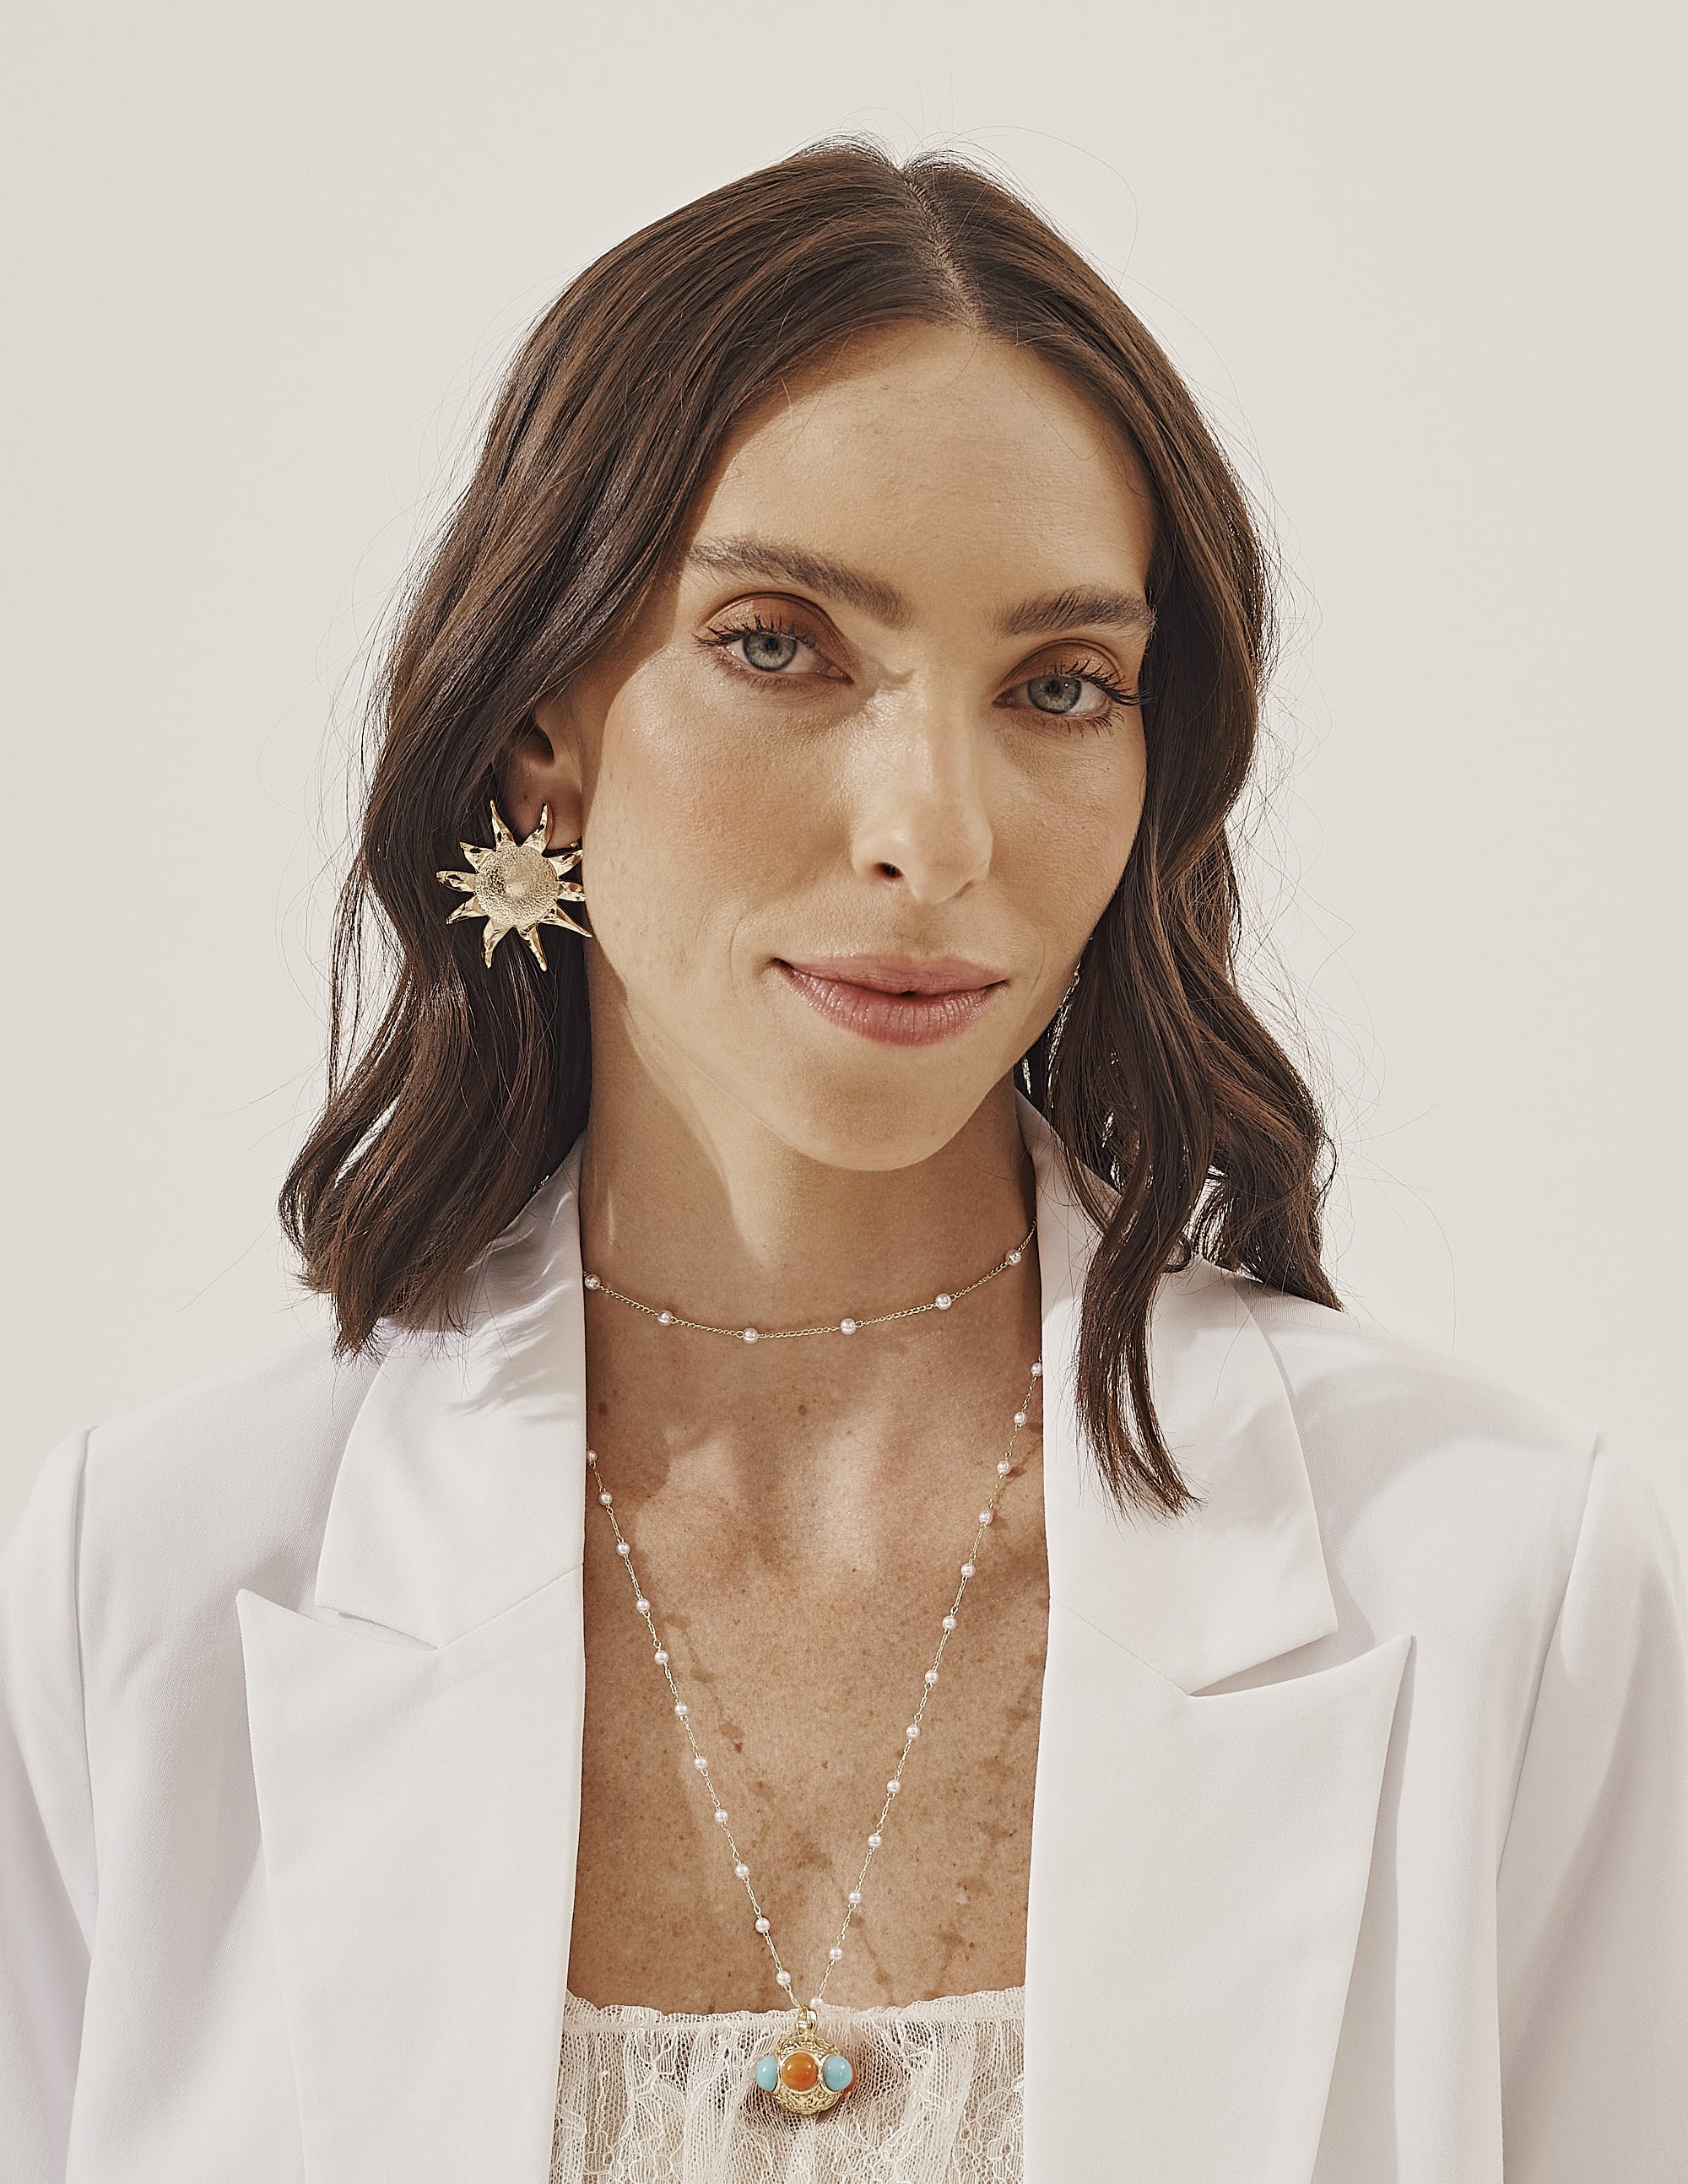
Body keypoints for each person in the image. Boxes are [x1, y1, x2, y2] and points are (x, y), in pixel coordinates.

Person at [3, 140, 1685, 2184]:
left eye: (1058, 686)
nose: (933, 833)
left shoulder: (1500, 1585)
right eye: (781, 644)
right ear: (541, 720)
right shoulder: (147, 1591)